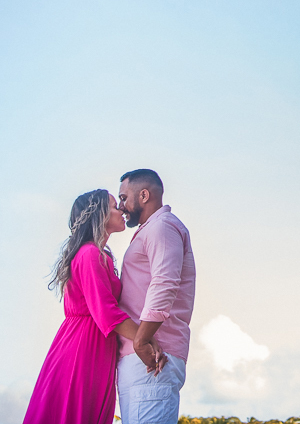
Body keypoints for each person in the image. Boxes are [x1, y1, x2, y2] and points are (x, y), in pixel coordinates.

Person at [22, 189, 166, 424]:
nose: (120, 208)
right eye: (112, 205)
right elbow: (107, 312)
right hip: (81, 348)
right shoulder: (89, 254)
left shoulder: (101, 256)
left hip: (96, 344)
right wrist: (146, 338)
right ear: (98, 215)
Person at [116, 169, 196, 424]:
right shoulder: (151, 229)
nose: (121, 206)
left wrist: (141, 341)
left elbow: (165, 283)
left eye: (123, 197)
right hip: (140, 357)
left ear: (144, 195)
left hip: (152, 357)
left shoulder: (162, 227)